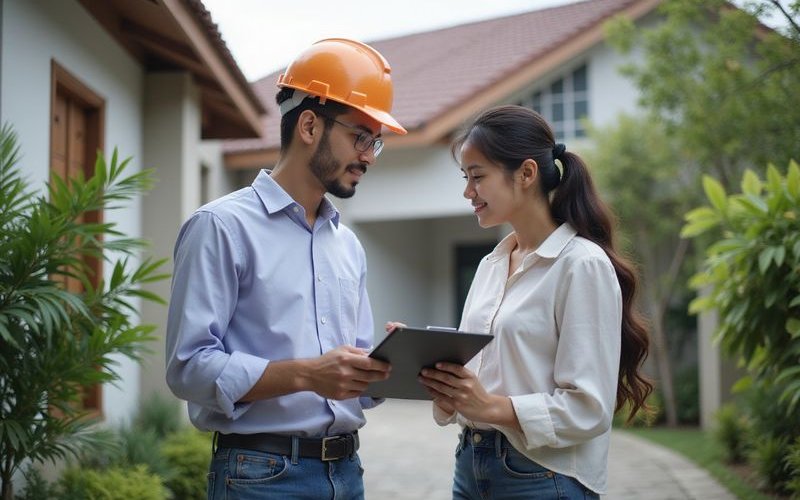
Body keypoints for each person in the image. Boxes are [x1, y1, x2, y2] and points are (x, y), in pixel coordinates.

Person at [165, 38, 406, 499]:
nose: (369, 156)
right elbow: (188, 368)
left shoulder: (348, 245)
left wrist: (390, 366)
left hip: (347, 472)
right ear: (310, 126)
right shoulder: (220, 227)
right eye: (360, 136)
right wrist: (306, 374)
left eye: (376, 142)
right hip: (260, 476)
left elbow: (350, 373)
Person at [416, 105, 652, 498]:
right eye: (465, 178)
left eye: (477, 177)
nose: (467, 192)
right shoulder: (491, 265)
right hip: (471, 465)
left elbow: (588, 407)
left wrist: (490, 407)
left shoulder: (581, 265)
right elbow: (479, 379)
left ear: (526, 174)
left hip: (542, 476)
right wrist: (440, 380)